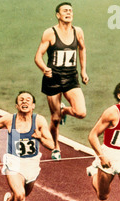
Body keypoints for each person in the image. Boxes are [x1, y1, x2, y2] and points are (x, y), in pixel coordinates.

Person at [34, 2, 88, 160]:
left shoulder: (77, 31)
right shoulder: (49, 33)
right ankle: (56, 147)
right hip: (53, 79)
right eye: (65, 11)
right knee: (55, 119)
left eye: (70, 11)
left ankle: (65, 110)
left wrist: (83, 70)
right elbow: (38, 56)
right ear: (58, 15)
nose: (68, 13)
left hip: (71, 77)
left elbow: (82, 48)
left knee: (81, 112)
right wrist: (44, 68)